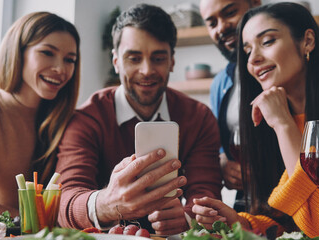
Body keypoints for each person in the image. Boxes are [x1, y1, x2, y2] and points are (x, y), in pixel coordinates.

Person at [192, 3, 319, 239]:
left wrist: (284, 125)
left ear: (307, 42)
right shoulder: (269, 120)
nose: (254, 59)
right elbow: (290, 220)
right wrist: (239, 223)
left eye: (268, 41)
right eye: (248, 50)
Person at [55, 3, 222, 235]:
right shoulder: (87, 119)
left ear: (172, 61)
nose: (146, 70)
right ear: (116, 61)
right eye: (134, 58)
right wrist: (107, 203)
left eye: (158, 58)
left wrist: (186, 217)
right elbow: (65, 200)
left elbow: (207, 193)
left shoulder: (199, 118)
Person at [0, 12, 80, 218]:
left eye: (70, 60)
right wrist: (32, 222)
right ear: (18, 52)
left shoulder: (66, 120)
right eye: (47, 52)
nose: (60, 69)